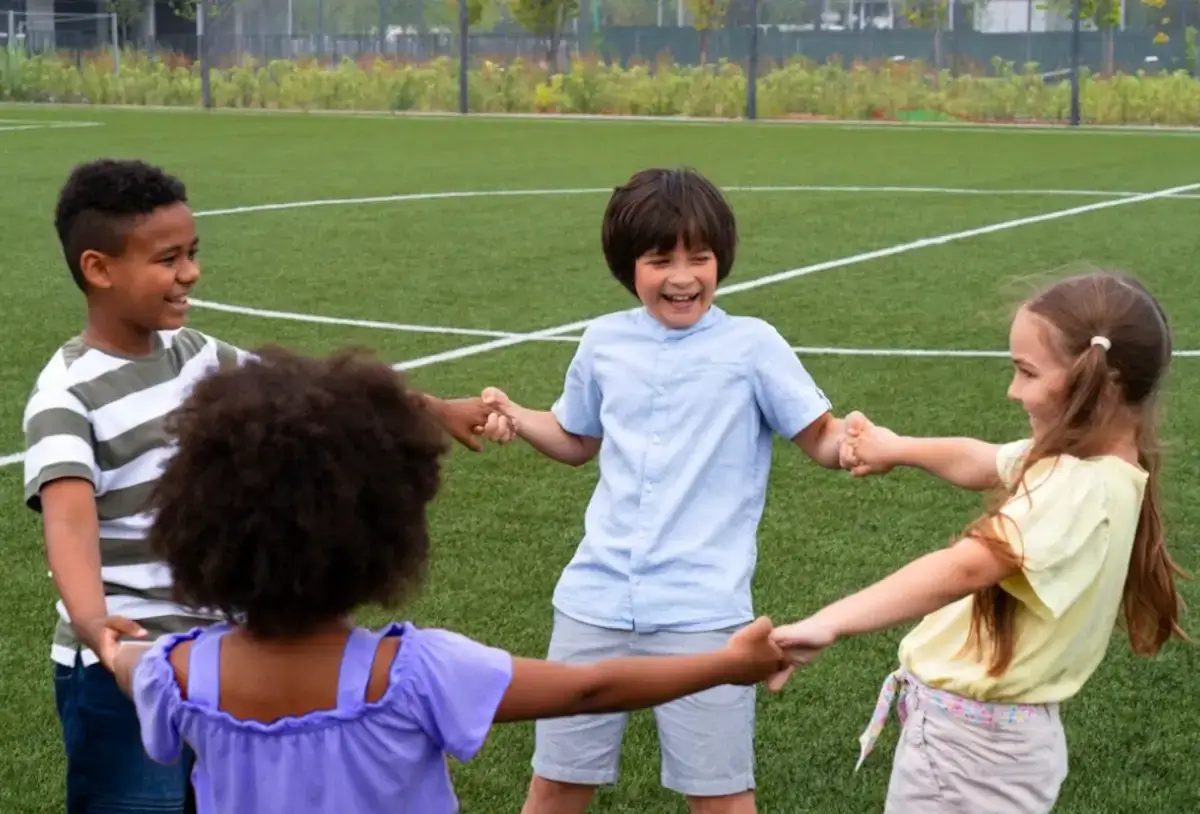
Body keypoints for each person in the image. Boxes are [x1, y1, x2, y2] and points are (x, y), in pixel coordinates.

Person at [95, 345, 793, 814]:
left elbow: (129, 665)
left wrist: (106, 643)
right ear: (383, 531)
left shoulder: (178, 674)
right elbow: (590, 687)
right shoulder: (416, 672)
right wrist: (726, 663)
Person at [24, 158, 496, 814]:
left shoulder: (196, 354)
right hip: (120, 668)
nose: (191, 273)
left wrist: (433, 408)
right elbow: (68, 522)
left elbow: (314, 402)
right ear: (99, 269)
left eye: (192, 253)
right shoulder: (66, 396)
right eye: (168, 259)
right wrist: (94, 621)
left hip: (213, 659)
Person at [479, 167, 851, 814]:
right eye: (660, 260)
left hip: (704, 610)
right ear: (630, 268)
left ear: (721, 261)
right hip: (593, 600)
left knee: (720, 794)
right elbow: (575, 437)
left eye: (700, 258)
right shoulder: (604, 342)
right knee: (558, 782)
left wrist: (858, 444)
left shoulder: (752, 345)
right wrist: (516, 412)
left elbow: (819, 437)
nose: (683, 277)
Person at [769, 271, 1189, 813]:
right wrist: (895, 447)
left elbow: (965, 568)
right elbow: (985, 459)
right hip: (990, 745)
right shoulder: (1093, 468)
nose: (1013, 390)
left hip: (970, 753)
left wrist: (829, 621)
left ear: (1098, 385)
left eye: (1026, 372)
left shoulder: (1077, 488)